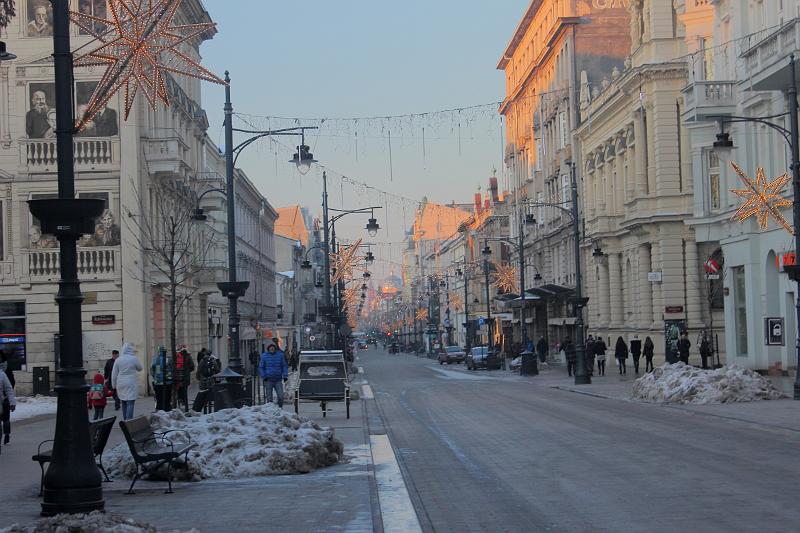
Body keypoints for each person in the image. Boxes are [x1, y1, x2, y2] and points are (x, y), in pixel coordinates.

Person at [111, 342, 143, 421]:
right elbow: (140, 368)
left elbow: (114, 374)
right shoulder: (134, 358)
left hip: (121, 383)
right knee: (130, 403)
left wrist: (114, 385)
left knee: (124, 402)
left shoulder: (118, 360)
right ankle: (129, 421)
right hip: (131, 382)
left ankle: (125, 420)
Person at [259, 344, 288, 408]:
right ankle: (270, 410)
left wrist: (285, 375)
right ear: (268, 349)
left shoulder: (280, 355)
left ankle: (280, 408)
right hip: (268, 379)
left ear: (275, 349)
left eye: (273, 348)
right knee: (269, 398)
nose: (272, 349)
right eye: (270, 348)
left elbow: (284, 366)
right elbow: (261, 367)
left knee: (281, 396)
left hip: (278, 379)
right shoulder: (264, 356)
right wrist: (264, 376)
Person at [150, 346, 174, 411]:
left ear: (159, 352)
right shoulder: (169, 360)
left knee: (159, 398)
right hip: (168, 382)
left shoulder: (155, 360)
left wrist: (155, 377)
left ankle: (160, 410)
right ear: (165, 352)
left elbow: (152, 371)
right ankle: (167, 409)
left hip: (158, 383)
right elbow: (172, 370)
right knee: (167, 398)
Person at [174, 346, 195, 412]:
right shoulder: (188, 356)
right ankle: (185, 407)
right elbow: (192, 366)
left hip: (177, 378)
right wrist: (187, 371)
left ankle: (179, 405)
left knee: (178, 392)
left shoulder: (176, 356)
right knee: (184, 393)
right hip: (185, 378)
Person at [0, 351, 14, 444]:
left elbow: (10, 385)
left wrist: (10, 400)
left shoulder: (5, 370)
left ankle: (7, 434)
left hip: (5, 398)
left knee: (6, 418)